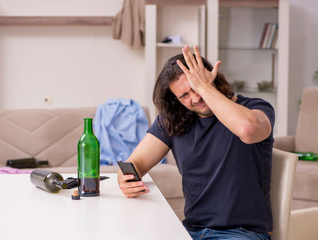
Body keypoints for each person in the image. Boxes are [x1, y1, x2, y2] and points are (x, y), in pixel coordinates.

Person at [117, 45, 274, 240]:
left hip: (242, 233)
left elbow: (247, 130)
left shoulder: (254, 108)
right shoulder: (174, 120)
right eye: (185, 95)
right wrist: (124, 180)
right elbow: (135, 164)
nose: (196, 97)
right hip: (190, 231)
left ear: (210, 76)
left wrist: (205, 87)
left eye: (196, 87)